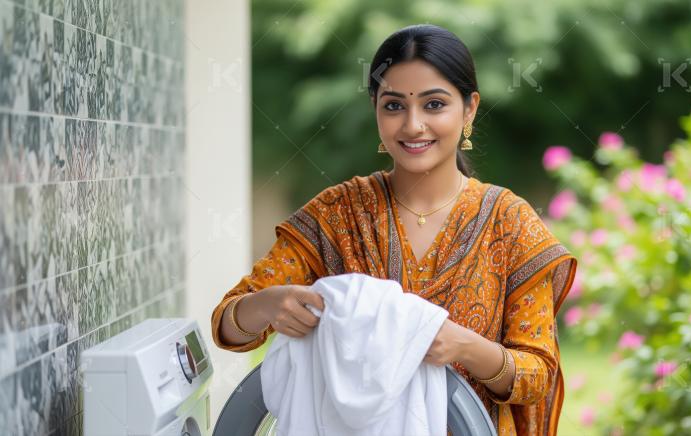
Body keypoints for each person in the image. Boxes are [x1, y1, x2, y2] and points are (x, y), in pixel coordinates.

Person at [211, 23, 578, 436]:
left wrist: (464, 346)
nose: (413, 125)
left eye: (434, 104)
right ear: (376, 109)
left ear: (469, 109)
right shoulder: (339, 214)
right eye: (394, 106)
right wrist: (267, 305)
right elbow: (227, 324)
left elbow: (537, 374)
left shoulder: (509, 222)